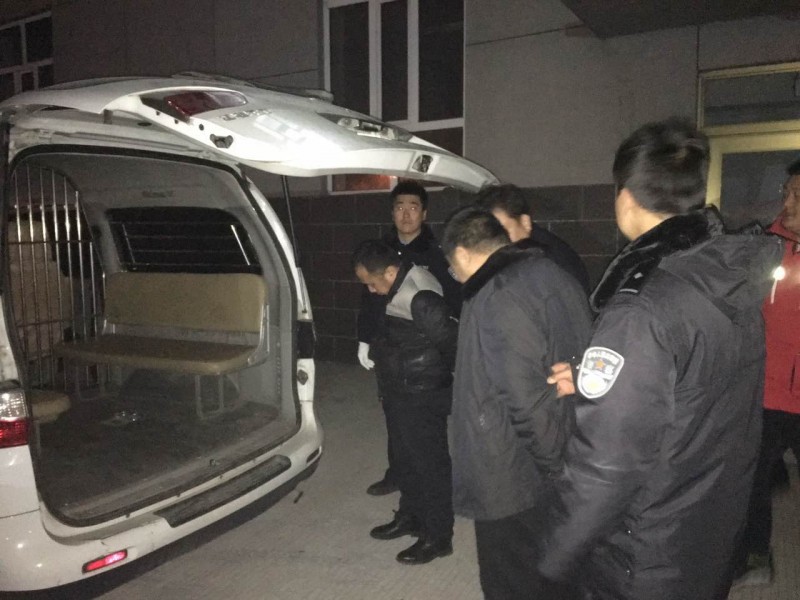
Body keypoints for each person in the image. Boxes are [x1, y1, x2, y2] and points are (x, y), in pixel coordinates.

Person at [538, 118, 783, 600]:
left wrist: (555, 555)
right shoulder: (723, 277)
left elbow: (605, 467)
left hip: (644, 556)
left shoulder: (641, 309)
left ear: (626, 196)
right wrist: (596, 377)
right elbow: (695, 387)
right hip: (707, 531)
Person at [441, 207, 592, 599]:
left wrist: (555, 467)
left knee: (510, 578)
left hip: (512, 471)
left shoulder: (498, 294)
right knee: (554, 566)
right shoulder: (554, 272)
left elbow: (523, 398)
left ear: (461, 254)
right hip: (565, 446)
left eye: (452, 267)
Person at [353, 239, 457, 564]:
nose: (371, 290)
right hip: (401, 389)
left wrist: (442, 388)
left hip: (422, 393)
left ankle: (438, 536)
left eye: (372, 283)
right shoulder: (398, 284)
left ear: (389, 272)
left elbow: (452, 345)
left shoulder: (420, 297)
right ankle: (411, 516)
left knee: (430, 465)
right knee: (407, 460)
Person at [357, 180, 459, 497]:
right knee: (394, 416)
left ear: (424, 213)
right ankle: (398, 473)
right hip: (388, 350)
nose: (405, 214)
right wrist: (364, 339)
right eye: (399, 207)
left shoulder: (437, 253)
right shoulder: (381, 250)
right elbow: (368, 300)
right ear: (392, 212)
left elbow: (452, 303)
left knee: (425, 431)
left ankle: (429, 489)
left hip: (422, 358)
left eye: (413, 207)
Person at [734, 158, 800, 587]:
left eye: (799, 196)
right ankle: (755, 558)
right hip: (766, 391)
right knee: (750, 482)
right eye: (787, 193)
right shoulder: (764, 247)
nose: (787, 203)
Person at [476, 183, 591, 293]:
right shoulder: (532, 253)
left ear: (525, 222)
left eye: (503, 230)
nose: (496, 240)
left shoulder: (549, 260)